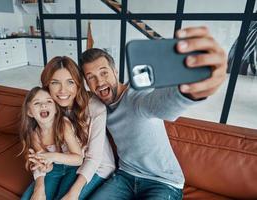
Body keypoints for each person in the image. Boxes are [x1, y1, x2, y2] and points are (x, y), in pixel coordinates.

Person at [80, 26, 228, 200]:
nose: (99, 81)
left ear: (115, 71)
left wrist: (191, 92)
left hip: (163, 181)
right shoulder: (97, 104)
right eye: (91, 77)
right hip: (125, 177)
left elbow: (160, 104)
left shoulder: (137, 96)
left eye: (104, 73)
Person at [39, 56, 115, 199]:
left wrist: (74, 192)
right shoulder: (47, 106)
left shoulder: (95, 107)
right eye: (55, 83)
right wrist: (39, 185)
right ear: (47, 85)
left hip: (97, 166)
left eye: (70, 82)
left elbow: (94, 157)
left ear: (78, 84)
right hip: (67, 163)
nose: (63, 90)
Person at [20, 86, 83, 200]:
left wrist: (51, 156)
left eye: (49, 101)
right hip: (54, 169)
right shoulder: (35, 135)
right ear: (29, 112)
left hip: (73, 168)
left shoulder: (64, 125)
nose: (43, 105)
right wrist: (40, 186)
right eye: (37, 103)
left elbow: (78, 159)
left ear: (55, 108)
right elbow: (47, 167)